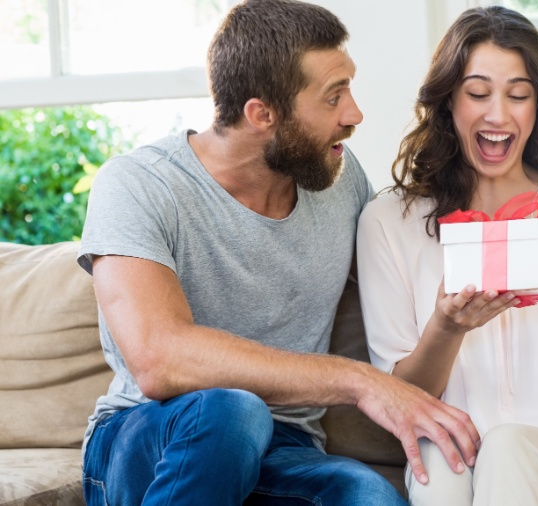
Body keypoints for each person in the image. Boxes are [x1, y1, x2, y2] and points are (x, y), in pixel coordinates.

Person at [76, 1, 481, 504]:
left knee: (371, 496)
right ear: (261, 114)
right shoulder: (139, 185)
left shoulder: (339, 178)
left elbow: (402, 254)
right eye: (334, 97)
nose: (354, 114)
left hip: (284, 446)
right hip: (150, 437)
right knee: (231, 412)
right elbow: (159, 360)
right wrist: (357, 380)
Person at [355, 6, 538, 506]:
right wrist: (446, 328)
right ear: (448, 99)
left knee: (508, 446)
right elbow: (400, 398)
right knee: (437, 471)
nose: (498, 114)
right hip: (449, 436)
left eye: (518, 95)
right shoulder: (387, 221)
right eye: (477, 93)